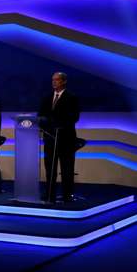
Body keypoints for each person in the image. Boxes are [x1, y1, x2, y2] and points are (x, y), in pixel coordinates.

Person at [38, 72, 80, 203]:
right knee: (50, 167)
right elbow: (41, 116)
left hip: (66, 138)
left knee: (67, 168)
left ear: (64, 81)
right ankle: (50, 193)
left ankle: (67, 195)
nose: (54, 82)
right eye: (53, 80)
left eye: (57, 80)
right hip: (50, 138)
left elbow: (74, 117)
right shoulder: (47, 97)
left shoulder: (71, 97)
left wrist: (57, 124)